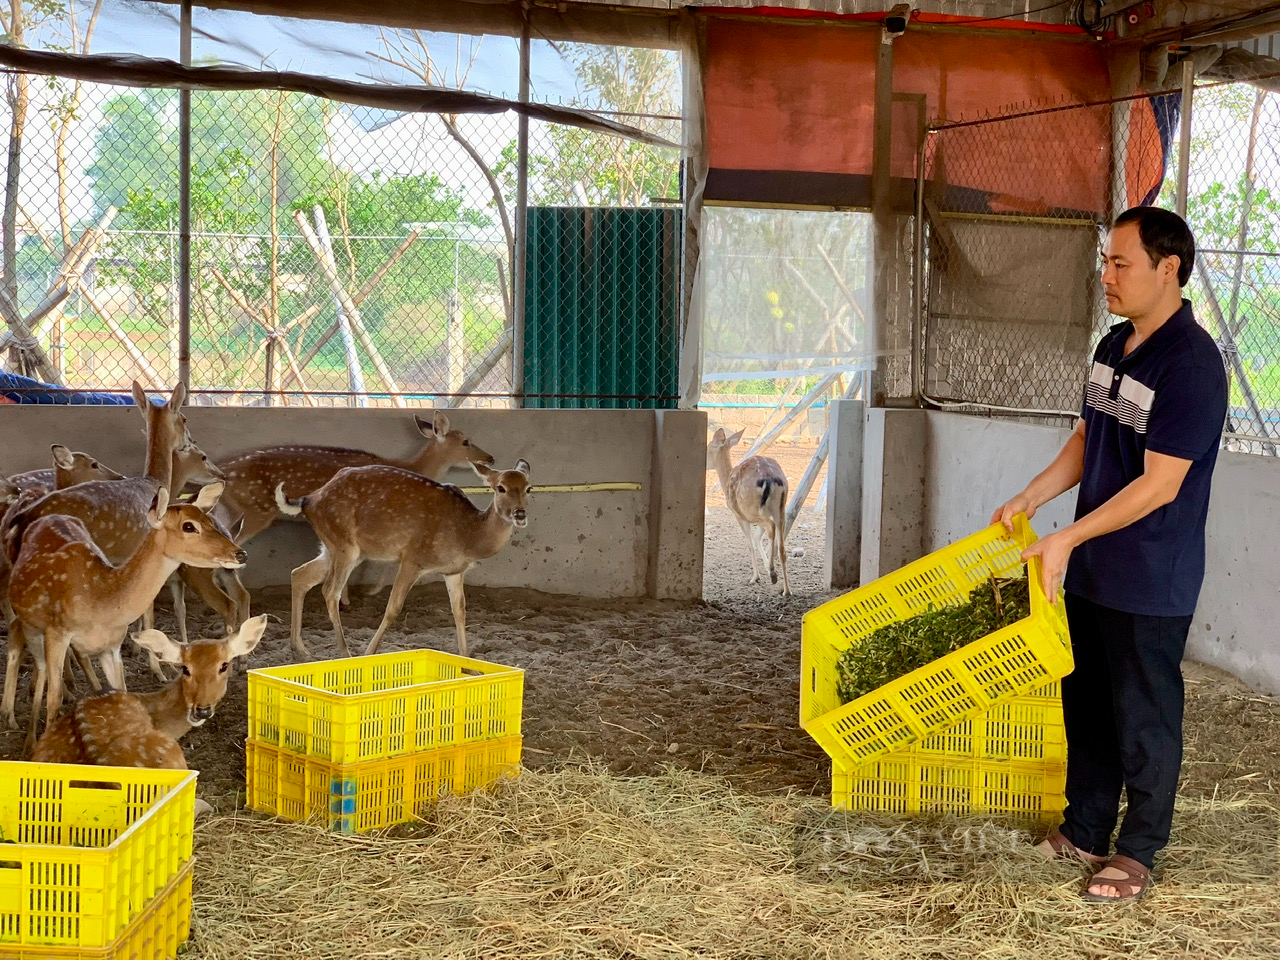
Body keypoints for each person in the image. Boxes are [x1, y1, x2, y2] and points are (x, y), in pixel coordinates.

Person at [991, 205, 1227, 903]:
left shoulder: (1192, 365)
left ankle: (1139, 850)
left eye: (1121, 264)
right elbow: (1088, 441)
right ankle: (1085, 828)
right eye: (1105, 262)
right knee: (1086, 702)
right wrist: (1032, 500)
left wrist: (1065, 535)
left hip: (1152, 574)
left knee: (1144, 713)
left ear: (1168, 269)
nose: (1107, 276)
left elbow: (1161, 485)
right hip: (1093, 565)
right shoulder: (1111, 347)